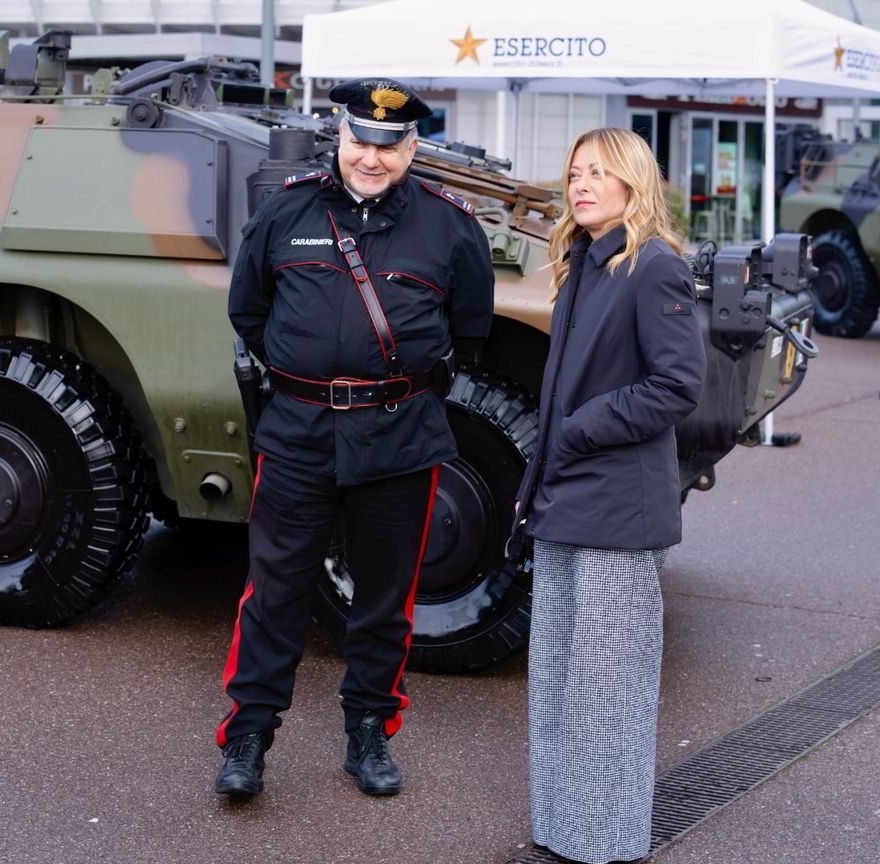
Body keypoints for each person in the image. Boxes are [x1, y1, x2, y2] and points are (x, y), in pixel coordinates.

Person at [215, 78, 494, 800]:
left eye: (388, 145)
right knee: (274, 592)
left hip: (399, 437)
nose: (371, 157)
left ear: (412, 147)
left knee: (384, 598)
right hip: (299, 432)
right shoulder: (287, 212)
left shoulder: (450, 226)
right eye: (359, 141)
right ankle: (248, 735)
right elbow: (249, 309)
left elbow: (470, 331)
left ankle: (368, 730)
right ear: (338, 135)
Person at [513, 128, 705, 862]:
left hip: (619, 509)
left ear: (632, 181)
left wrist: (586, 427)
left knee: (607, 690)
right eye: (574, 172)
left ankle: (603, 841)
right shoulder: (584, 261)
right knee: (561, 679)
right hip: (568, 496)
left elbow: (677, 385)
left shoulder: (652, 266)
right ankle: (562, 828)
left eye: (598, 172)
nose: (581, 183)